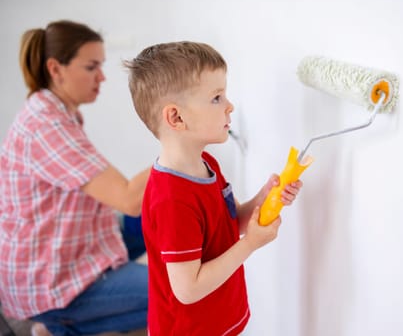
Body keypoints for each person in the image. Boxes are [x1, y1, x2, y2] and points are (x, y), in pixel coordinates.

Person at [125, 41, 303, 335]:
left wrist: (265, 197)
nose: (230, 105)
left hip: (218, 321)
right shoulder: (173, 200)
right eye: (217, 98)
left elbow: (227, 225)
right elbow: (188, 289)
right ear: (177, 118)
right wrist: (251, 244)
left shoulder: (206, 163)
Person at [0, 20, 150, 336]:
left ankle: (60, 323)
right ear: (56, 69)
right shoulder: (46, 125)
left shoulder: (60, 113)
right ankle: (57, 324)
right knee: (176, 291)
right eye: (92, 67)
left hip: (75, 243)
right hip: (46, 281)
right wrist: (183, 142)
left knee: (159, 220)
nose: (102, 77)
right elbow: (128, 199)